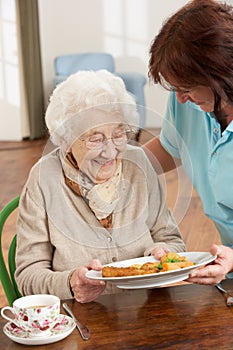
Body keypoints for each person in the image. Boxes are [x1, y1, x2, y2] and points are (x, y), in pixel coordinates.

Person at [15, 70, 185, 303]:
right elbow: (27, 275)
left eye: (118, 134)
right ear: (66, 139)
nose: (110, 150)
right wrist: (70, 283)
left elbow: (172, 240)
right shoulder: (43, 178)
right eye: (95, 139)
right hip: (82, 317)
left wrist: (162, 254)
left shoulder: (140, 163)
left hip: (147, 308)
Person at [144, 0, 233, 286]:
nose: (180, 98)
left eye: (186, 87)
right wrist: (112, 168)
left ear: (220, 74)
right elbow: (172, 148)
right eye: (175, 88)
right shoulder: (189, 102)